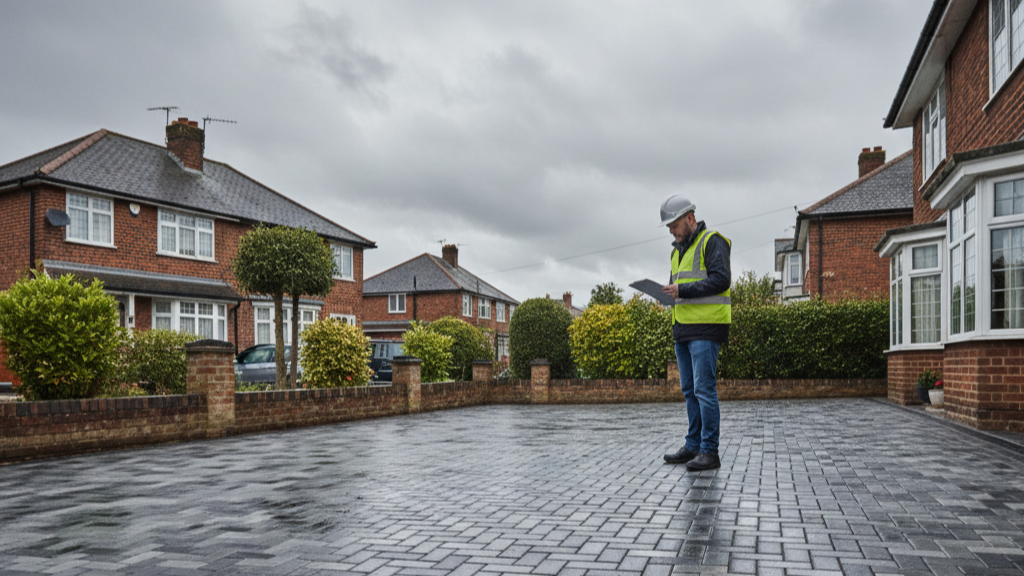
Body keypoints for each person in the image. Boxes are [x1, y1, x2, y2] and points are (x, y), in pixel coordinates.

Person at [659, 195, 731, 471]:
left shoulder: (712, 241)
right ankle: (693, 445)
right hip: (683, 329)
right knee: (689, 390)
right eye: (669, 228)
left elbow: (721, 279)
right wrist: (665, 294)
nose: (672, 232)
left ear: (690, 219)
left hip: (706, 328)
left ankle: (709, 451)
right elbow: (676, 286)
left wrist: (682, 290)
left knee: (704, 389)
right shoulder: (676, 251)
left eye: (675, 225)